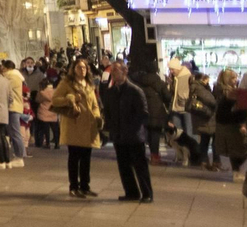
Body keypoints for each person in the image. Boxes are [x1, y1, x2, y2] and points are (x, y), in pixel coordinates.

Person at [101, 63, 153, 202]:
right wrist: (111, 127)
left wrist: (133, 128)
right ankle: (131, 192)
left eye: (116, 70)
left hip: (134, 135)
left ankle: (147, 193)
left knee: (140, 166)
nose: (113, 73)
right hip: (119, 135)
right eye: (112, 71)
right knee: (124, 167)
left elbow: (143, 113)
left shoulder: (135, 91)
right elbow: (108, 112)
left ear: (125, 71)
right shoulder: (111, 92)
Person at [51, 60, 104, 198]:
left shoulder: (90, 85)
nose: (82, 70)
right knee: (74, 157)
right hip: (74, 124)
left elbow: (95, 105)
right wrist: (71, 98)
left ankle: (85, 186)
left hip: (88, 125)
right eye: (79, 67)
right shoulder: (66, 83)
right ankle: (73, 186)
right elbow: (55, 100)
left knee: (86, 157)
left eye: (85, 67)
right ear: (73, 69)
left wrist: (97, 117)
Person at [212, 69, 247, 180]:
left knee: (235, 149)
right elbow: (237, 108)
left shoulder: (221, 89)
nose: (236, 80)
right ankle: (236, 171)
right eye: (233, 78)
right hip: (231, 122)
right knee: (241, 148)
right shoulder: (228, 92)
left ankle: (236, 171)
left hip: (224, 122)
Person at [133, 63, 169, 165]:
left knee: (145, 134)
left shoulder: (140, 82)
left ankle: (143, 155)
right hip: (157, 111)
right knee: (155, 134)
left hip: (144, 111)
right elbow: (167, 96)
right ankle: (155, 156)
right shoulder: (159, 82)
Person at [3, 59, 27, 163]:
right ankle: (19, 155)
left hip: (13, 107)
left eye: (3, 67)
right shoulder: (14, 76)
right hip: (14, 106)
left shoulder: (12, 77)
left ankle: (19, 156)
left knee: (15, 132)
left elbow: (6, 89)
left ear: (7, 68)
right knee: (13, 132)